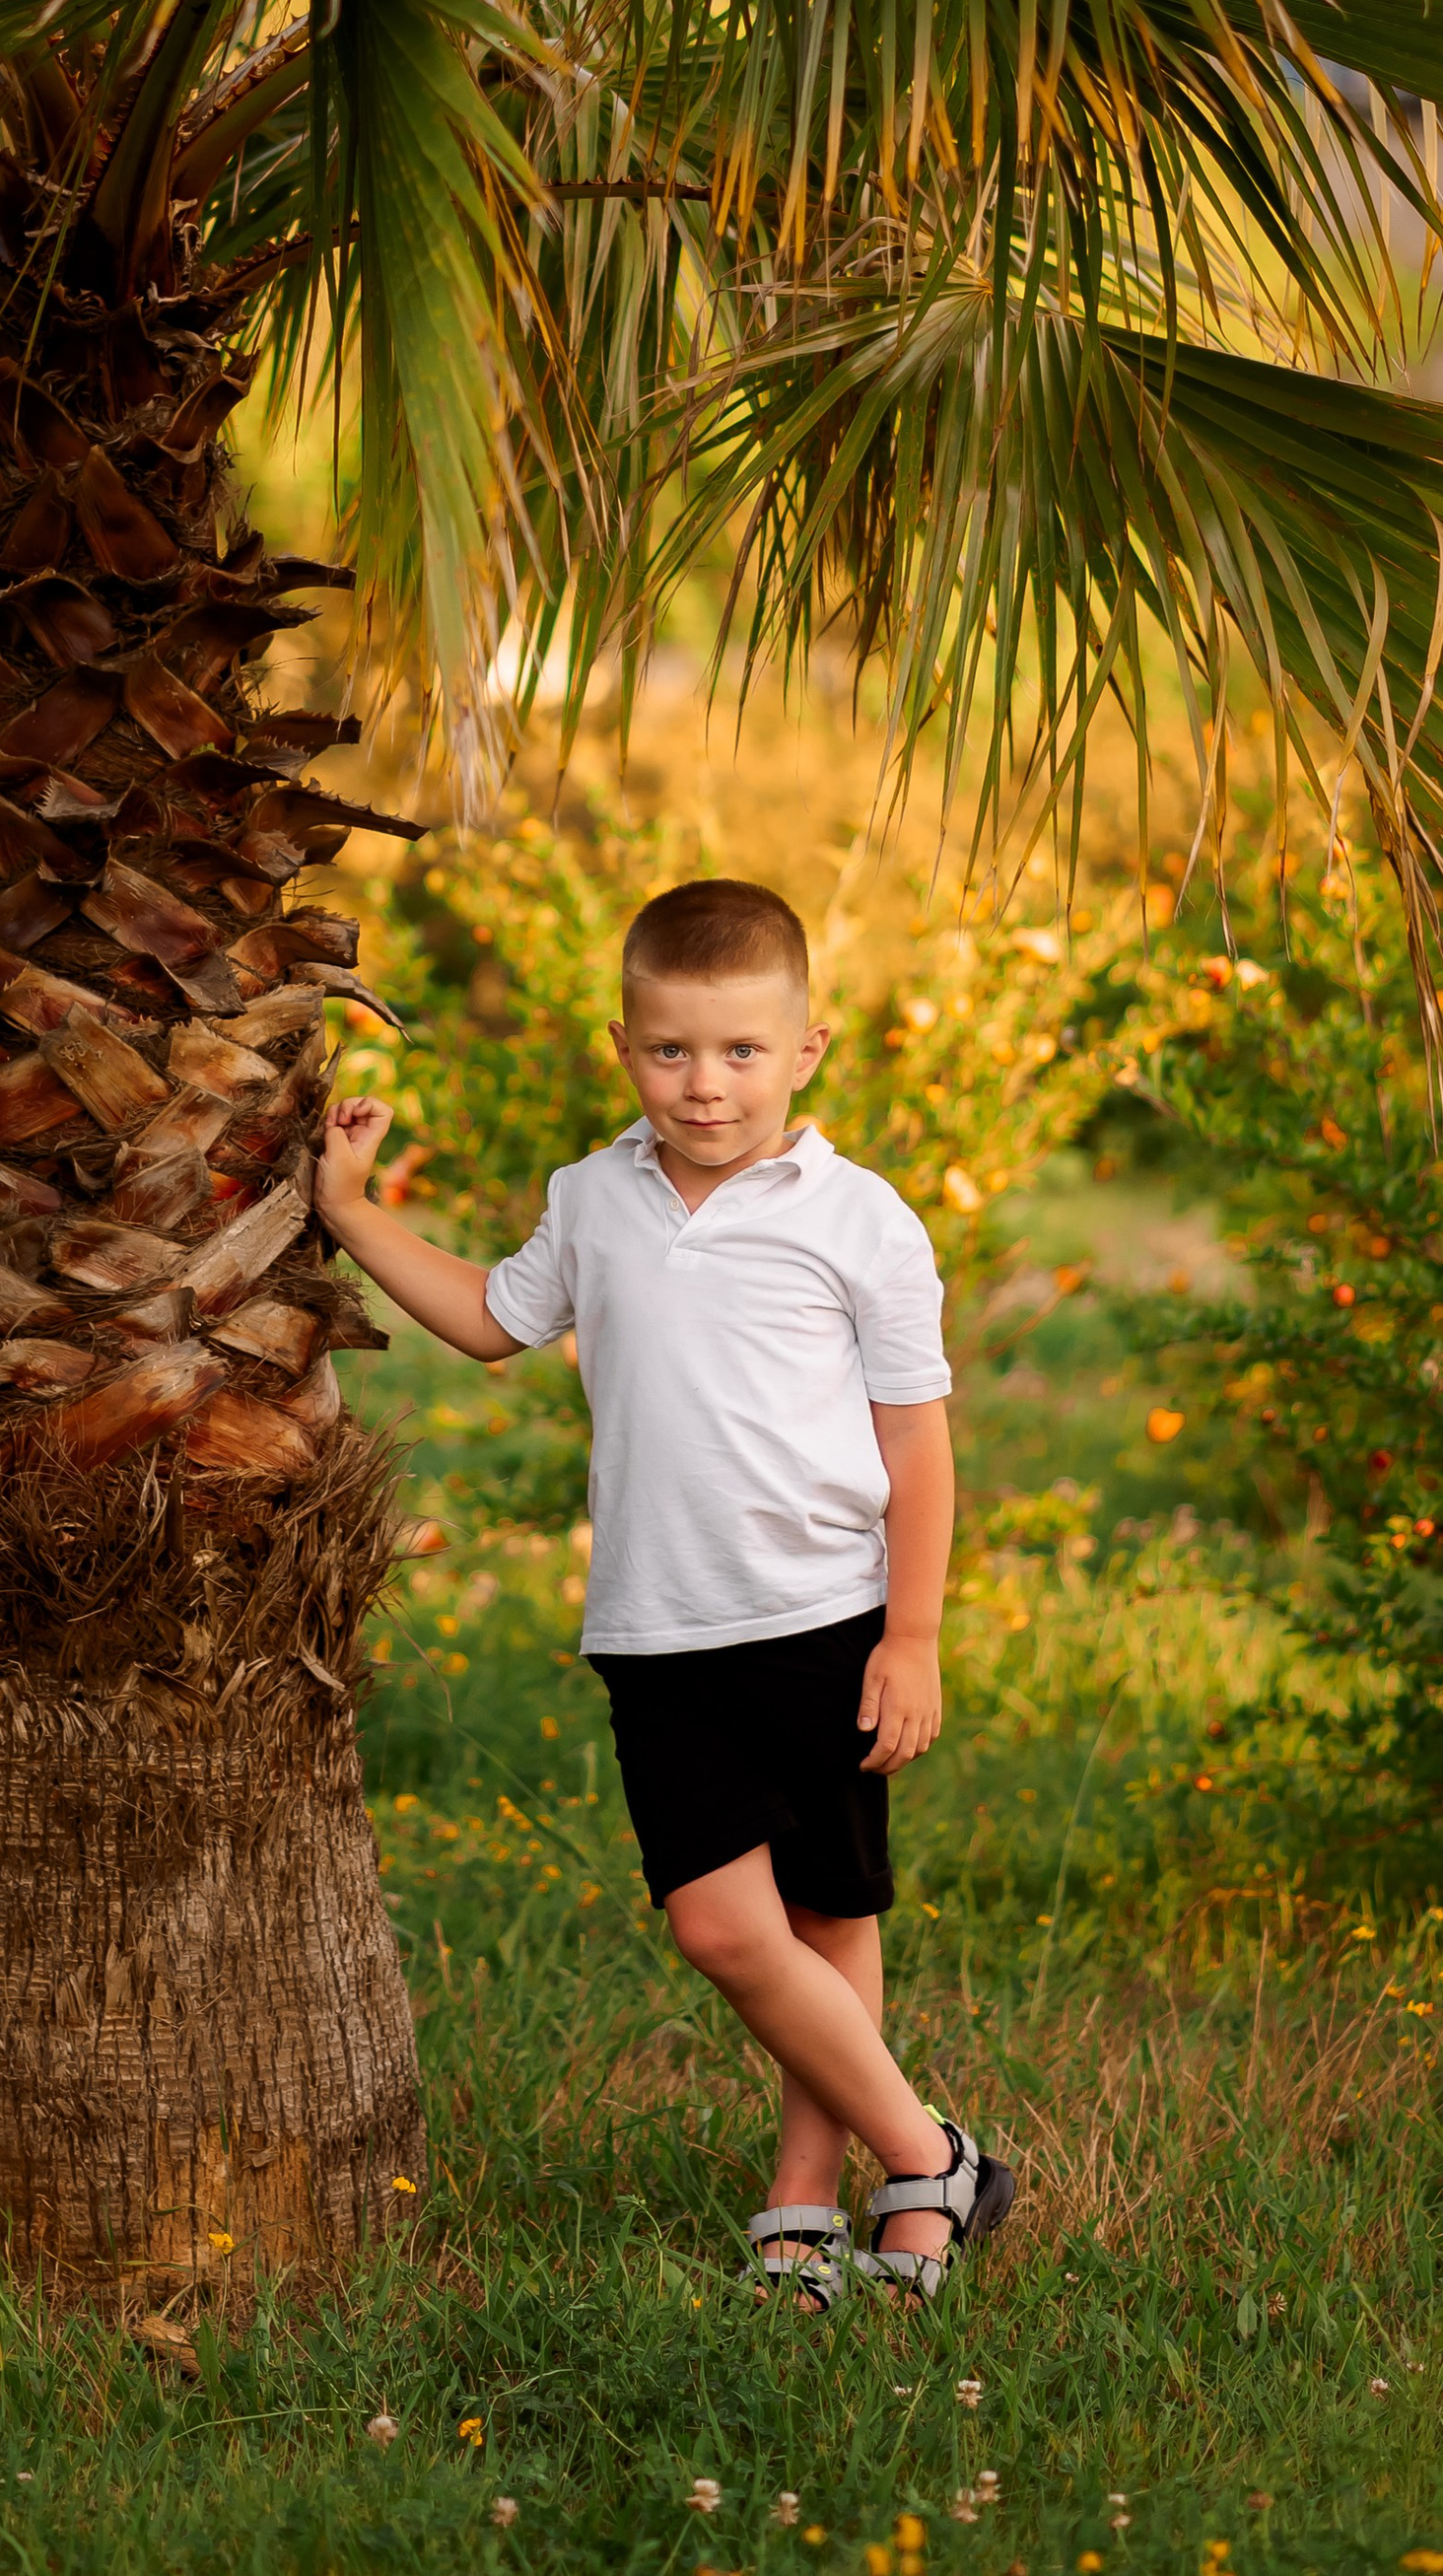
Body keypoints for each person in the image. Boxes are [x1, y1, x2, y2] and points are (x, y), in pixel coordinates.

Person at [316, 871, 1015, 2310]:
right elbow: (491, 1321)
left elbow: (918, 1440)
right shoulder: (594, 1197)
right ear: (626, 1046)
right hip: (658, 1628)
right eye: (673, 1051)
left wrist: (917, 1634)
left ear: (806, 1050)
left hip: (826, 1616)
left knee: (829, 1916)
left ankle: (810, 2205)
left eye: (743, 1051)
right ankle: (931, 2150)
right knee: (720, 1929)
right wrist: (346, 1212)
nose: (707, 1086)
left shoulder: (861, 1219)